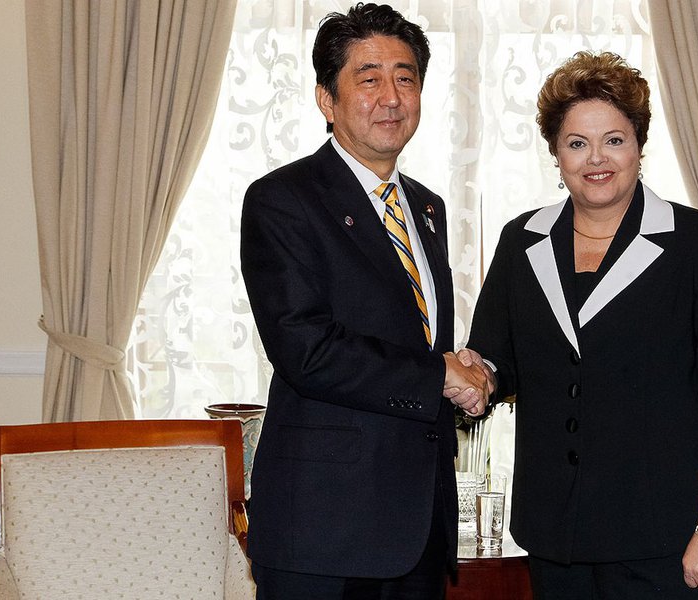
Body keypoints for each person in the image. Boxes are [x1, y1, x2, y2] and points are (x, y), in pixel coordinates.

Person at [464, 51, 698, 599]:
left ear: (639, 146)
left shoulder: (695, 241)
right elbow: (493, 360)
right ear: (556, 153)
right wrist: (473, 376)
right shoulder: (520, 241)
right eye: (577, 143)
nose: (595, 158)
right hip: (556, 534)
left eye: (614, 140)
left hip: (664, 538)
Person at [239, 4, 490, 598]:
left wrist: (465, 372)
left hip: (417, 525)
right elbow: (305, 348)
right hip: (324, 530)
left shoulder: (427, 208)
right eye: (369, 77)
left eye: (406, 78)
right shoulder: (283, 200)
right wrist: (439, 375)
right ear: (327, 100)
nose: (391, 96)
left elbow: (408, 335)